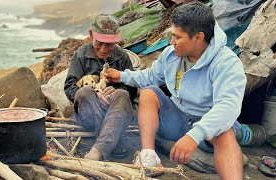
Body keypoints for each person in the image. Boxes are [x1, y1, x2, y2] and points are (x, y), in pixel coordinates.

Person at [105, 2, 246, 179]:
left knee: (225, 133)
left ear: (198, 37)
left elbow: (228, 107)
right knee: (148, 92)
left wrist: (195, 135)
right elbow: (150, 76)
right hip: (177, 119)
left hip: (206, 125)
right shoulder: (171, 54)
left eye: (177, 37)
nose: (172, 42)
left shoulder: (227, 63)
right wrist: (122, 76)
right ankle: (149, 156)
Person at [64, 14, 137, 161]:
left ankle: (98, 150)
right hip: (89, 115)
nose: (104, 49)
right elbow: (70, 87)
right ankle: (112, 140)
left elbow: (133, 88)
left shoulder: (122, 56)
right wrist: (94, 93)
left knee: (122, 94)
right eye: (100, 42)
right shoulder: (81, 55)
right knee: (84, 92)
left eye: (109, 44)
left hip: (116, 113)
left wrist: (117, 89)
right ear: (91, 35)